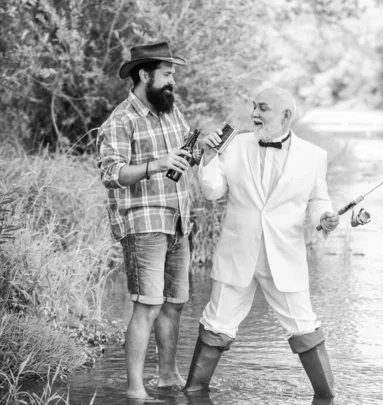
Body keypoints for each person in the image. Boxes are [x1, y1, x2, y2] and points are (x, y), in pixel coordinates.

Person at [183, 87, 340, 398]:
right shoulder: (233, 145)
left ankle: (327, 398)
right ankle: (191, 394)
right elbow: (212, 192)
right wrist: (210, 156)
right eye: (254, 107)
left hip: (284, 256)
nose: (254, 114)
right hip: (237, 252)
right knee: (216, 322)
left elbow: (318, 201)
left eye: (262, 108)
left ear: (286, 116)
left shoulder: (314, 156)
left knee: (304, 325)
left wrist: (325, 218)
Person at [97, 41, 198, 400]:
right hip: (143, 225)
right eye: (168, 74)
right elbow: (112, 173)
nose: (173, 82)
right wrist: (156, 164)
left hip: (178, 221)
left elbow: (185, 154)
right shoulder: (121, 119)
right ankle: (135, 391)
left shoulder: (170, 110)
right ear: (145, 74)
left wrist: (207, 147)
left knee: (175, 304)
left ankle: (168, 379)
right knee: (148, 305)